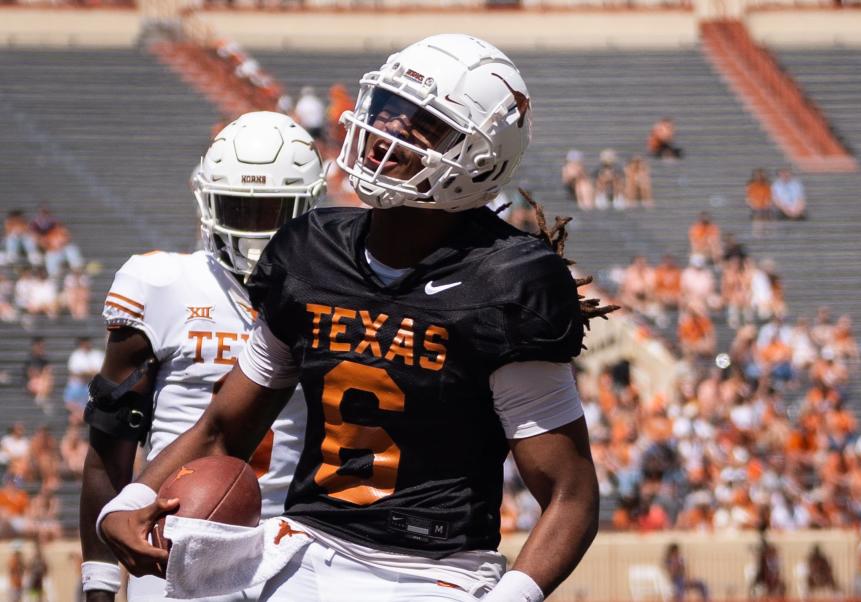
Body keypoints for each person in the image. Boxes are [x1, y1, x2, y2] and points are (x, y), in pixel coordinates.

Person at [99, 34, 602, 602]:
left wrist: (512, 596)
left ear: (479, 157)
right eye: (386, 108)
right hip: (307, 544)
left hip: (436, 572)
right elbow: (222, 428)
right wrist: (132, 501)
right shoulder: (310, 252)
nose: (387, 130)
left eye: (420, 123)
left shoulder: (506, 284)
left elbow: (570, 492)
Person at [79, 111, 325, 602]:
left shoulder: (334, 290)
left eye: (272, 212)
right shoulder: (161, 286)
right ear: (208, 201)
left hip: (295, 544)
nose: (255, 233)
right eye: (240, 209)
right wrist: (100, 583)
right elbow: (110, 448)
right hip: (171, 534)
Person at [64, 337, 105, 422]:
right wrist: (90, 373)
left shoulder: (97, 355)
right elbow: (75, 373)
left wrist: (85, 373)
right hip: (79, 386)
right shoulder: (76, 355)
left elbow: (100, 372)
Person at [746, 169, 773, 238]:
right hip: (756, 205)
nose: (759, 177)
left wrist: (767, 204)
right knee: (758, 213)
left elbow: (770, 196)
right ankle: (757, 231)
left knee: (766, 212)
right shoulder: (751, 185)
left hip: (765, 205)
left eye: (761, 175)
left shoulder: (768, 185)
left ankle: (767, 230)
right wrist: (753, 205)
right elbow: (749, 197)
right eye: (757, 175)